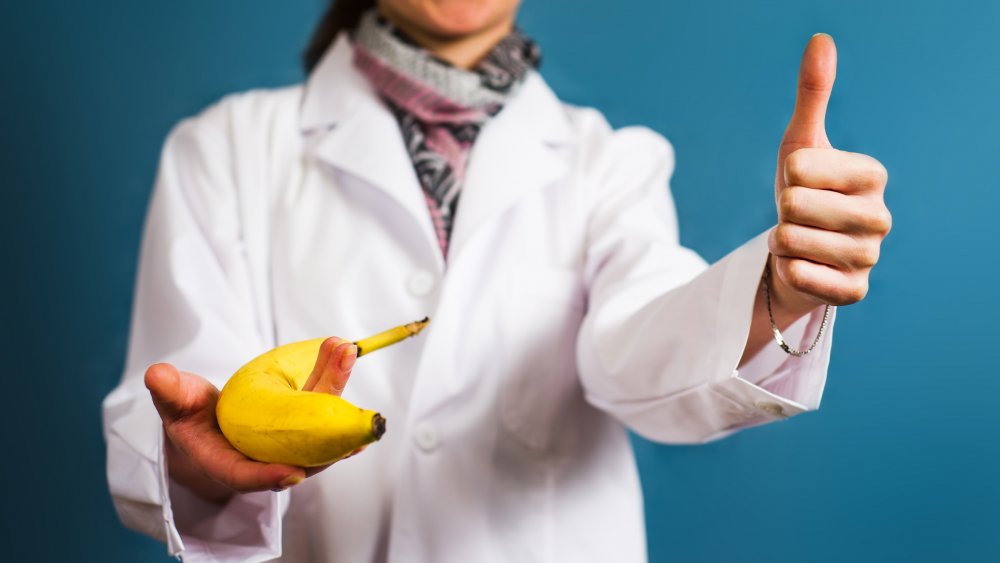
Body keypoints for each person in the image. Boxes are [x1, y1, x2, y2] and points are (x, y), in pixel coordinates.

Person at [102, 0, 891, 561]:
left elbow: (639, 348)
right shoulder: (226, 149)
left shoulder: (605, 162)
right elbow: (177, 399)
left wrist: (779, 289)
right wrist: (192, 461)